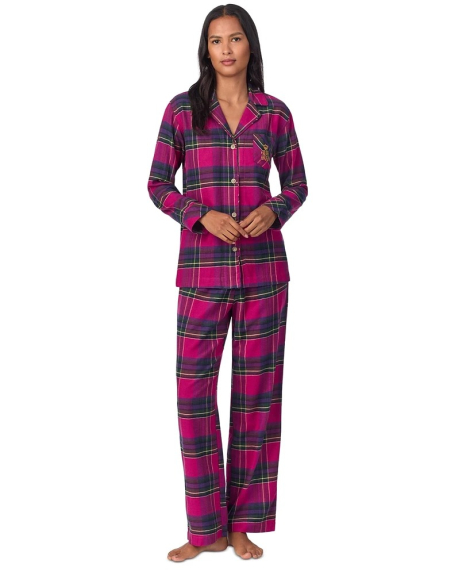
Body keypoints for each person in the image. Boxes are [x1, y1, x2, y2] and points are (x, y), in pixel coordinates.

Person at [147, 3, 308, 562]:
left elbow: (298, 184)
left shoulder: (274, 113)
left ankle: (242, 525)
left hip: (265, 275)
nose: (226, 49)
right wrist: (200, 215)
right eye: (216, 40)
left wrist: (274, 210)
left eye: (235, 38)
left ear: (249, 45)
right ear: (206, 49)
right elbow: (157, 183)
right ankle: (205, 529)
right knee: (193, 397)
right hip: (202, 274)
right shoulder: (182, 110)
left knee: (256, 398)